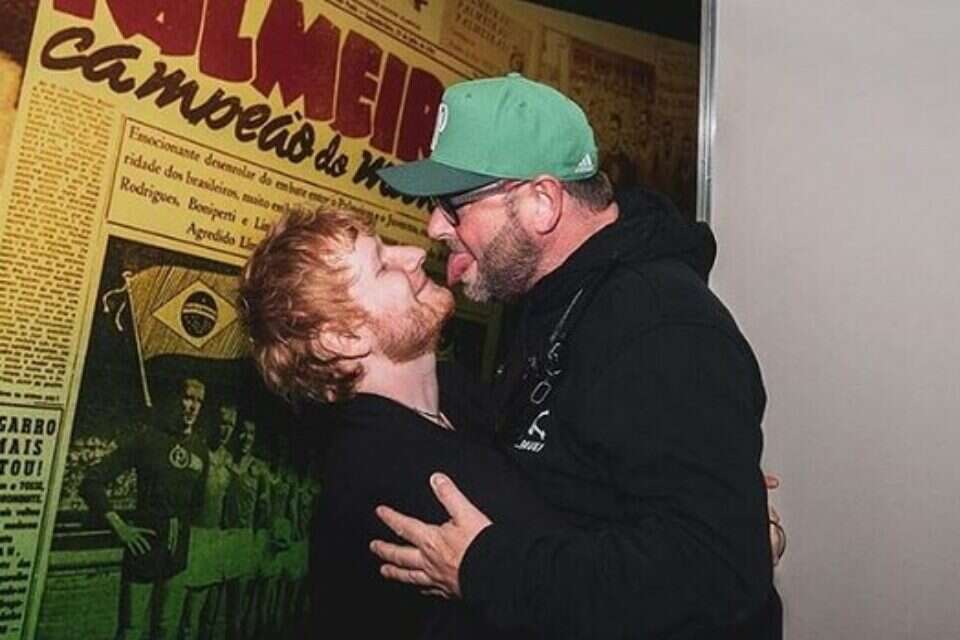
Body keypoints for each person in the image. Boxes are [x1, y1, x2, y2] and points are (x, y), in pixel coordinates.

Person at [371, 72, 782, 638]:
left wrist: (485, 569)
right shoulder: (554, 301)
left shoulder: (659, 327)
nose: (434, 226)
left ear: (542, 202)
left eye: (452, 204)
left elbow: (717, 574)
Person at [237, 209, 563, 638]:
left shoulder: (459, 395)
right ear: (345, 338)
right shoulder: (386, 477)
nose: (414, 254)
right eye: (382, 265)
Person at [80, 377, 210, 640]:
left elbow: (196, 505)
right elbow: (91, 482)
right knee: (131, 630)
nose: (192, 406)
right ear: (174, 399)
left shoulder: (200, 451)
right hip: (143, 548)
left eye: (198, 401)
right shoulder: (147, 439)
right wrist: (120, 527)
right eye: (187, 397)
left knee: (165, 629)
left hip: (177, 555)